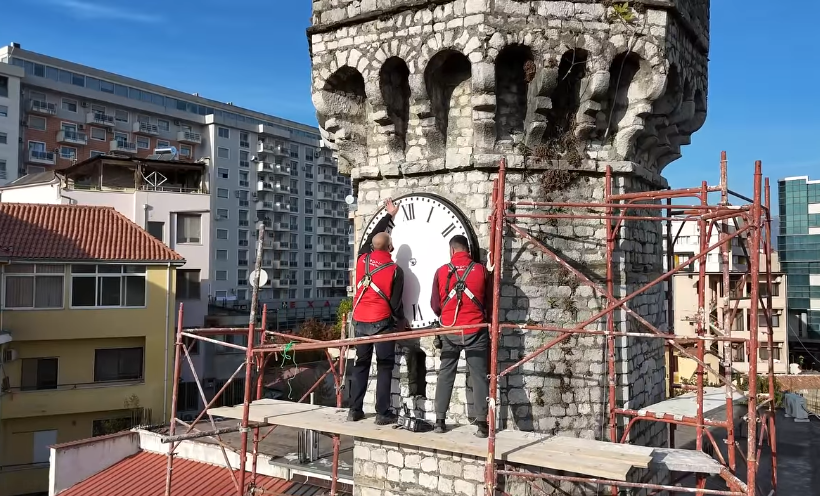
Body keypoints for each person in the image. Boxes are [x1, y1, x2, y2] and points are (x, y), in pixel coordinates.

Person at [348, 198, 405, 425]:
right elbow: (395, 303)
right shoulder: (394, 270)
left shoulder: (362, 258)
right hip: (382, 322)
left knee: (361, 365)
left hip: (360, 320)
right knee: (384, 366)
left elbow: (375, 233)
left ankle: (355, 409)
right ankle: (382, 413)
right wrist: (401, 320)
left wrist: (389, 215)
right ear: (390, 247)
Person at [430, 235, 491, 438]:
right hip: (476, 329)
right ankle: (482, 423)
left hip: (450, 330)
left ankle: (440, 421)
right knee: (479, 376)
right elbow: (489, 301)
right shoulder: (481, 270)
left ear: (452, 251)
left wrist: (446, 316)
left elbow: (435, 305)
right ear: (468, 250)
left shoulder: (440, 271)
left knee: (446, 374)